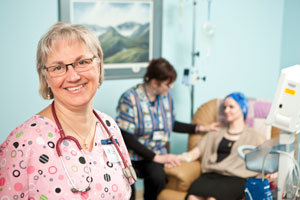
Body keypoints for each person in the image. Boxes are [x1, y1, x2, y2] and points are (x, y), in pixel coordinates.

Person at [0, 22, 135, 199]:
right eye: (58, 67)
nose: (73, 76)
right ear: (45, 77)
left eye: (82, 62)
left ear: (99, 65)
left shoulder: (109, 127)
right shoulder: (23, 143)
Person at [115, 58, 219, 200]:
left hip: (155, 154)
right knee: (127, 182)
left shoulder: (166, 97)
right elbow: (126, 136)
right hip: (132, 155)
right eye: (167, 84)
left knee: (158, 178)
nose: (171, 87)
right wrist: (157, 157)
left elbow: (170, 124)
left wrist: (202, 128)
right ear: (154, 83)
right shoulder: (130, 98)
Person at [176, 92, 267, 200]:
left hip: (235, 178)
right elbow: (193, 154)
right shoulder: (214, 132)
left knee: (212, 199)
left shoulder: (255, 136)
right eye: (224, 107)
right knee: (192, 198)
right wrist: (173, 158)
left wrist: (274, 172)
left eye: (231, 107)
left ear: (243, 108)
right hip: (211, 175)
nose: (226, 110)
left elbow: (268, 158)